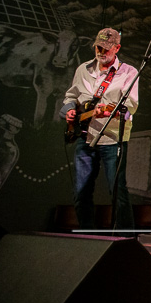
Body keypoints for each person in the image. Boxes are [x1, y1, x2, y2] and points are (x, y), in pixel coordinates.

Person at [60, 28, 139, 235]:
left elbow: (130, 107)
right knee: (81, 192)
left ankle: (126, 240)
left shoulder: (129, 72)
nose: (100, 51)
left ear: (117, 48)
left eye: (105, 48)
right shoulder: (82, 69)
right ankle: (88, 237)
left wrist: (115, 112)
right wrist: (68, 110)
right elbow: (70, 96)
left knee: (117, 192)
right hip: (85, 138)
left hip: (113, 139)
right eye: (98, 47)